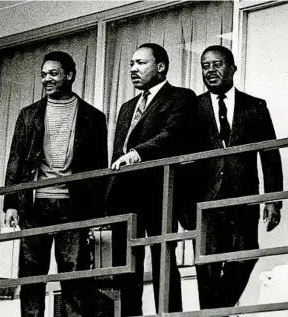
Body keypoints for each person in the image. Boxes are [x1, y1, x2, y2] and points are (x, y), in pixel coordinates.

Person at [3, 51, 108, 317]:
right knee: (31, 273)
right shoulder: (29, 115)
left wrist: (95, 212)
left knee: (74, 272)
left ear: (70, 75)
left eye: (53, 73)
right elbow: (16, 159)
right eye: (43, 74)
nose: (46, 79)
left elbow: (98, 168)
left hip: (73, 205)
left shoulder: (93, 117)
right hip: (35, 203)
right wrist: (11, 204)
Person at [105, 43, 197, 316]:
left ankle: (169, 315)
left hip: (161, 192)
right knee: (126, 266)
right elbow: (115, 155)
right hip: (125, 197)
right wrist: (107, 200)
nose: (133, 69)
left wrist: (136, 154)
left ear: (161, 67)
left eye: (141, 63)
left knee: (163, 260)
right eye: (131, 63)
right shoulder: (126, 107)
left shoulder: (181, 97)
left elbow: (173, 135)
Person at [192, 45, 283, 310]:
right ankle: (215, 314)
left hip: (243, 198)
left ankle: (212, 314)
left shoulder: (254, 106)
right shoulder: (193, 108)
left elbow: (269, 154)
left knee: (245, 256)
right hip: (205, 203)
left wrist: (273, 200)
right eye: (205, 66)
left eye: (217, 64)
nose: (211, 70)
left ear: (232, 67)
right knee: (206, 268)